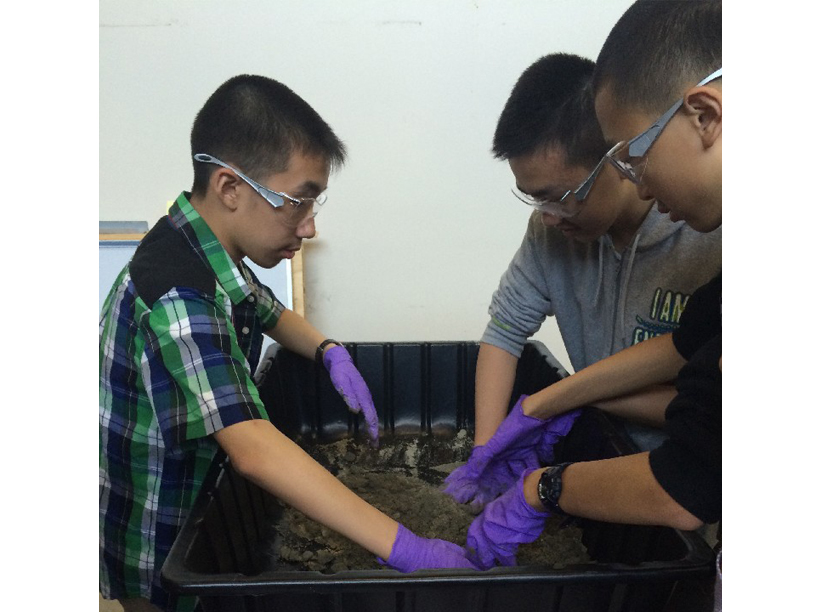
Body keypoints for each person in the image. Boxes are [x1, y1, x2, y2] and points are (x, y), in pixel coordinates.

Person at [99, 75, 475, 612]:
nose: (309, 227)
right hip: (155, 524)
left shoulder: (205, 247)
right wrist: (405, 546)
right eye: (298, 202)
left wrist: (327, 350)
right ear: (230, 188)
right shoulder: (178, 295)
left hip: (196, 490)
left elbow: (265, 309)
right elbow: (254, 449)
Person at [459, 0, 723, 570]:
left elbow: (688, 478)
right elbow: (682, 345)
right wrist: (528, 417)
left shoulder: (708, 233)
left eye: (635, 157)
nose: (642, 183)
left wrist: (541, 486)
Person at [472, 53, 722, 456]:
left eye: (560, 198)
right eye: (534, 199)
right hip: (603, 448)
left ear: (617, 158)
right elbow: (504, 330)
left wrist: (569, 396)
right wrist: (484, 449)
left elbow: (711, 411)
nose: (548, 217)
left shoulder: (705, 232)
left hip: (685, 463)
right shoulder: (550, 231)